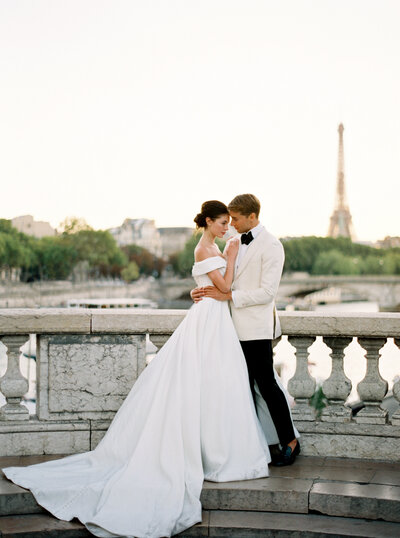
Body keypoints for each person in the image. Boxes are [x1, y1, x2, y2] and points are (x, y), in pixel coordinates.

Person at [3, 200, 270, 538]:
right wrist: (230, 259)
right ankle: (216, 453)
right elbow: (226, 288)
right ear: (207, 221)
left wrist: (212, 278)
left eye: (228, 222)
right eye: (221, 222)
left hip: (213, 318)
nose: (226, 227)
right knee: (211, 383)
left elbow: (216, 290)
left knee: (214, 385)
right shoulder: (206, 248)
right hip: (210, 320)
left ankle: (212, 450)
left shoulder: (210, 245)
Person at [192, 194, 300, 466]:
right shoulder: (233, 242)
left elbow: (268, 292)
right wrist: (200, 291)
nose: (232, 225)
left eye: (236, 219)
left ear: (252, 216)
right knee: (242, 389)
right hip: (229, 328)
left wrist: (230, 297)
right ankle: (255, 443)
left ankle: (290, 440)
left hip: (255, 328)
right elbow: (220, 278)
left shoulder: (272, 246)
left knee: (267, 385)